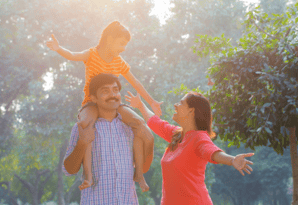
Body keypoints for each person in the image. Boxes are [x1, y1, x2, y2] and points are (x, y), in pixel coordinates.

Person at [47, 20, 160, 192]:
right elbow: (72, 55)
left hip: (113, 103)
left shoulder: (119, 61)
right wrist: (58, 48)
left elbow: (135, 81)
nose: (123, 48)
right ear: (109, 39)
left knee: (139, 125)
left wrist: (151, 101)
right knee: (85, 126)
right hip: (91, 103)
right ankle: (88, 176)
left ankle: (138, 174)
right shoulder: (92, 54)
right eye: (121, 43)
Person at [125, 91, 255, 205]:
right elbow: (155, 122)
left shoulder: (199, 138)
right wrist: (140, 105)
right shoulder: (176, 135)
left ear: (191, 111)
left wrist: (232, 160)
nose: (175, 105)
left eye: (180, 103)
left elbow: (211, 152)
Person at [62, 74, 154, 205]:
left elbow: (144, 167)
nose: (113, 94)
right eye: (105, 91)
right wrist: (82, 143)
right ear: (94, 98)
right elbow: (69, 170)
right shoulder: (83, 127)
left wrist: (149, 140)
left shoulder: (131, 129)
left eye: (115, 90)